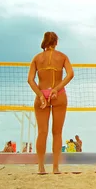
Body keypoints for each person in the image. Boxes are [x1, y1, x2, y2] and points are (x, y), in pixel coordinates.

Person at [27, 31, 74, 174]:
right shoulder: (62, 57)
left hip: (42, 93)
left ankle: (41, 167)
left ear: (44, 42)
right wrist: (57, 88)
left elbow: (30, 80)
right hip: (58, 94)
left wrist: (40, 95)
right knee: (57, 133)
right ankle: (55, 167)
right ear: (56, 42)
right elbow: (70, 74)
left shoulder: (37, 58)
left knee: (42, 132)